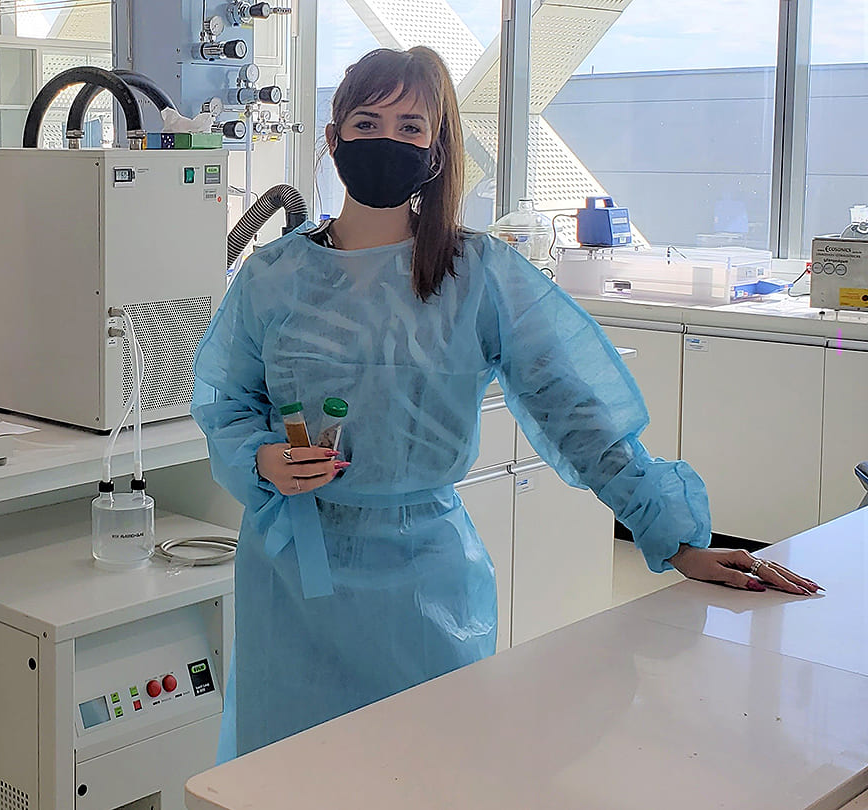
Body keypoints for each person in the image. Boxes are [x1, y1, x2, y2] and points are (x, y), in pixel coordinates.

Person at [191, 46, 820, 761]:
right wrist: (261, 458)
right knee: (290, 772)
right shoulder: (273, 276)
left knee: (431, 767)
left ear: (435, 150)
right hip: (291, 577)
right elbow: (228, 401)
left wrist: (674, 538)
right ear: (333, 140)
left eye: (410, 126)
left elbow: (576, 411)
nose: (386, 140)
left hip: (421, 577)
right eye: (367, 123)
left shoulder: (477, 274)